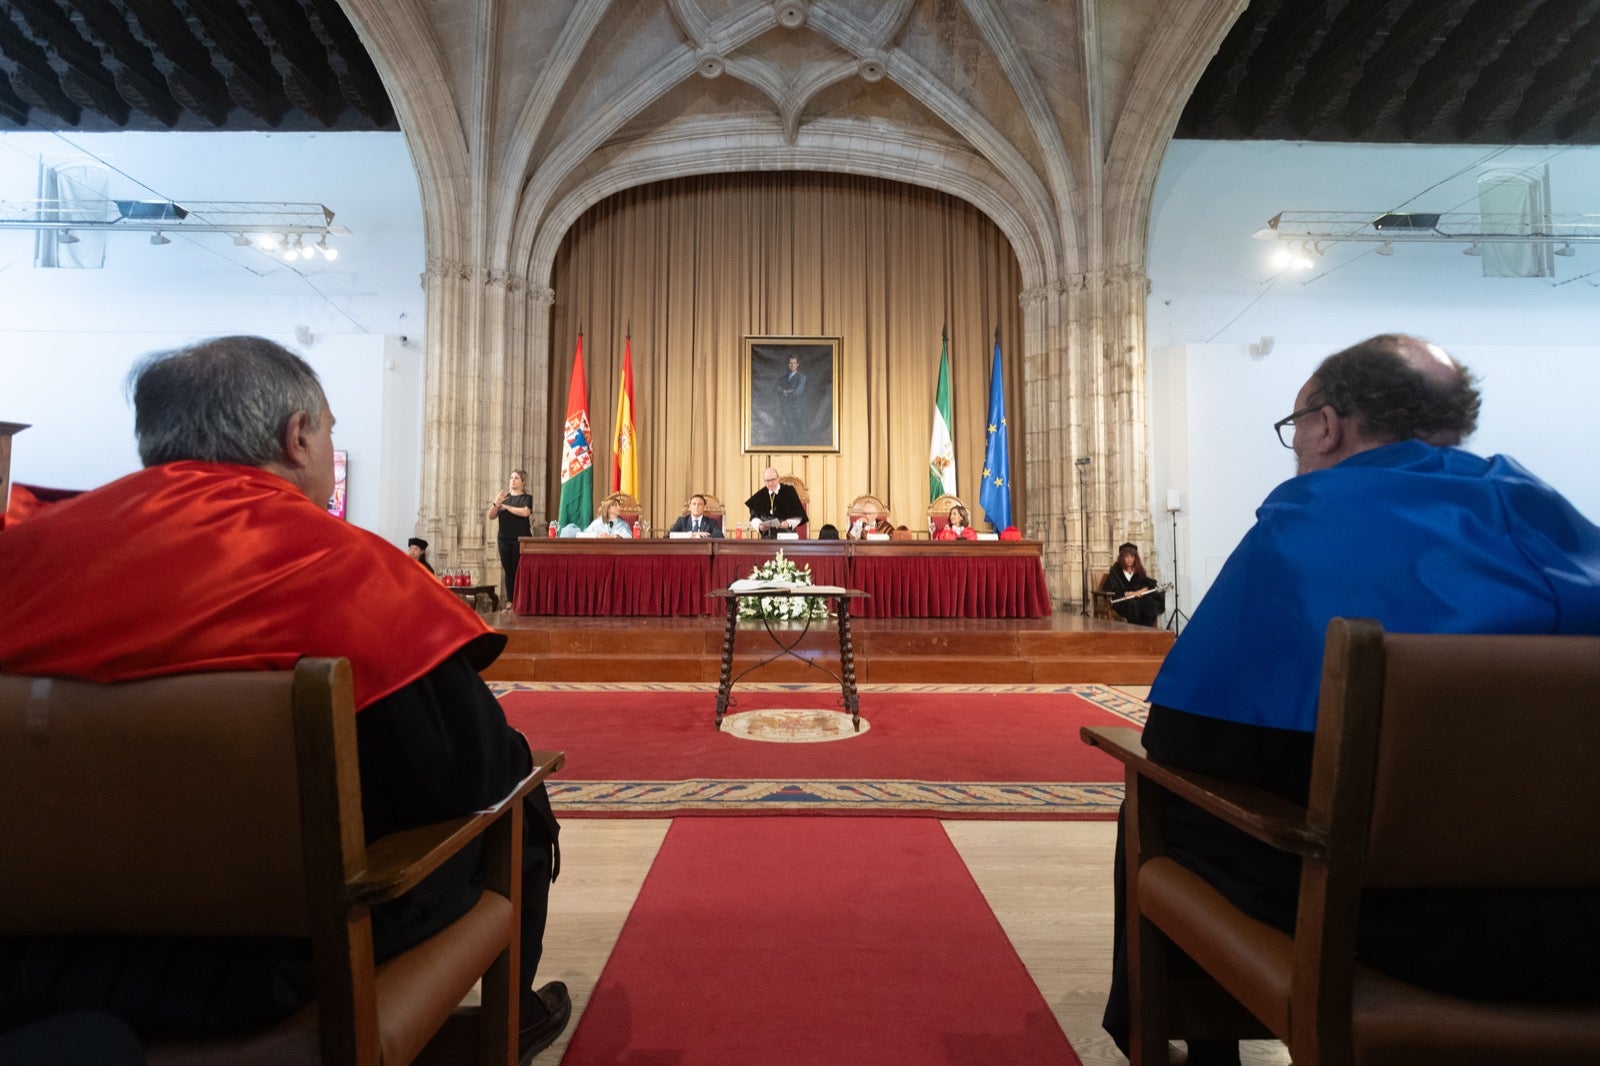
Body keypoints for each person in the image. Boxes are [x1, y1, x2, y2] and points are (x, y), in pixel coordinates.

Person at [0, 337, 570, 1061]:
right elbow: (470, 775)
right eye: (330, 430)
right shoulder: (347, 568)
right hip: (274, 964)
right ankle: (504, 1023)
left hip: (36, 963)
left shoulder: (21, 549)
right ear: (298, 436)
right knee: (520, 793)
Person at [1101, 334, 1600, 1066]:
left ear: (1326, 424)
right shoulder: (1555, 522)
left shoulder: (1305, 528)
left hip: (1393, 927)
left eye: (1294, 427)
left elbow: (1185, 740)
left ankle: (1187, 1041)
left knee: (1159, 805)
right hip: (1578, 925)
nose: (1296, 445)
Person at [487, 470, 533, 605]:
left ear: (522, 482)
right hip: (504, 539)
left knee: (519, 569)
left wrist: (506, 507)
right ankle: (510, 601)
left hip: (520, 539)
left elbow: (525, 512)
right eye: (511, 477)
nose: (513, 480)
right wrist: (496, 503)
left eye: (516, 478)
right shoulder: (504, 498)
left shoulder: (526, 498)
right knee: (508, 570)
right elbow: (491, 516)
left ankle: (521, 601)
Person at [1099, 542, 1163, 626]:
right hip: (1122, 600)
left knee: (1149, 602)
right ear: (1122, 558)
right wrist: (1126, 594)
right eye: (1127, 557)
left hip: (1137, 597)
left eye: (1132, 557)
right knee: (1132, 604)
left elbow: (1147, 584)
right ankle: (1135, 631)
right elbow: (1112, 587)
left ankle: (1148, 631)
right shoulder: (1116, 570)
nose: (1130, 559)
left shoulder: (1138, 570)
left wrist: (1138, 592)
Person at [744, 467, 807, 537]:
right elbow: (754, 517)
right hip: (768, 538)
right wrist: (759, 526)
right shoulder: (760, 495)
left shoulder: (789, 491)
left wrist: (788, 523)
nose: (770, 483)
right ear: (764, 481)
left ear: (778, 478)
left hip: (787, 536)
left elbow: (799, 516)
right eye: (767, 481)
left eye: (773, 480)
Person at [777, 355, 806, 443]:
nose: (792, 365)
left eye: (794, 363)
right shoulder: (783, 378)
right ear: (788, 365)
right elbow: (777, 389)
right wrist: (786, 391)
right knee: (786, 433)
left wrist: (785, 392)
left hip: (796, 409)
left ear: (797, 365)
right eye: (790, 363)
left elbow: (798, 392)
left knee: (796, 434)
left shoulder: (801, 377)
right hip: (784, 409)